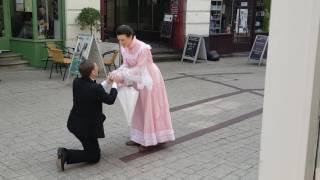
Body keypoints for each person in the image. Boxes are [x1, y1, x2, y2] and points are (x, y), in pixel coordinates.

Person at [110, 25, 175, 151]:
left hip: (149, 81)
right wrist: (118, 71)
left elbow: (140, 69)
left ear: (131, 37)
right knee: (137, 108)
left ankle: (149, 140)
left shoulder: (143, 49)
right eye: (119, 40)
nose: (121, 43)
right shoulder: (125, 48)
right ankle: (137, 137)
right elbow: (126, 64)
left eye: (123, 40)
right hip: (136, 80)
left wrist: (122, 75)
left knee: (148, 108)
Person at [56, 61, 118, 171]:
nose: (98, 69)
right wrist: (115, 84)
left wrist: (107, 82)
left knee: (93, 150)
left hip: (74, 124)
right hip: (86, 129)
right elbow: (110, 99)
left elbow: (94, 90)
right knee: (94, 156)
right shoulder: (95, 88)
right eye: (97, 67)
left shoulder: (77, 82)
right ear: (93, 72)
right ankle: (65, 154)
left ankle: (81, 151)